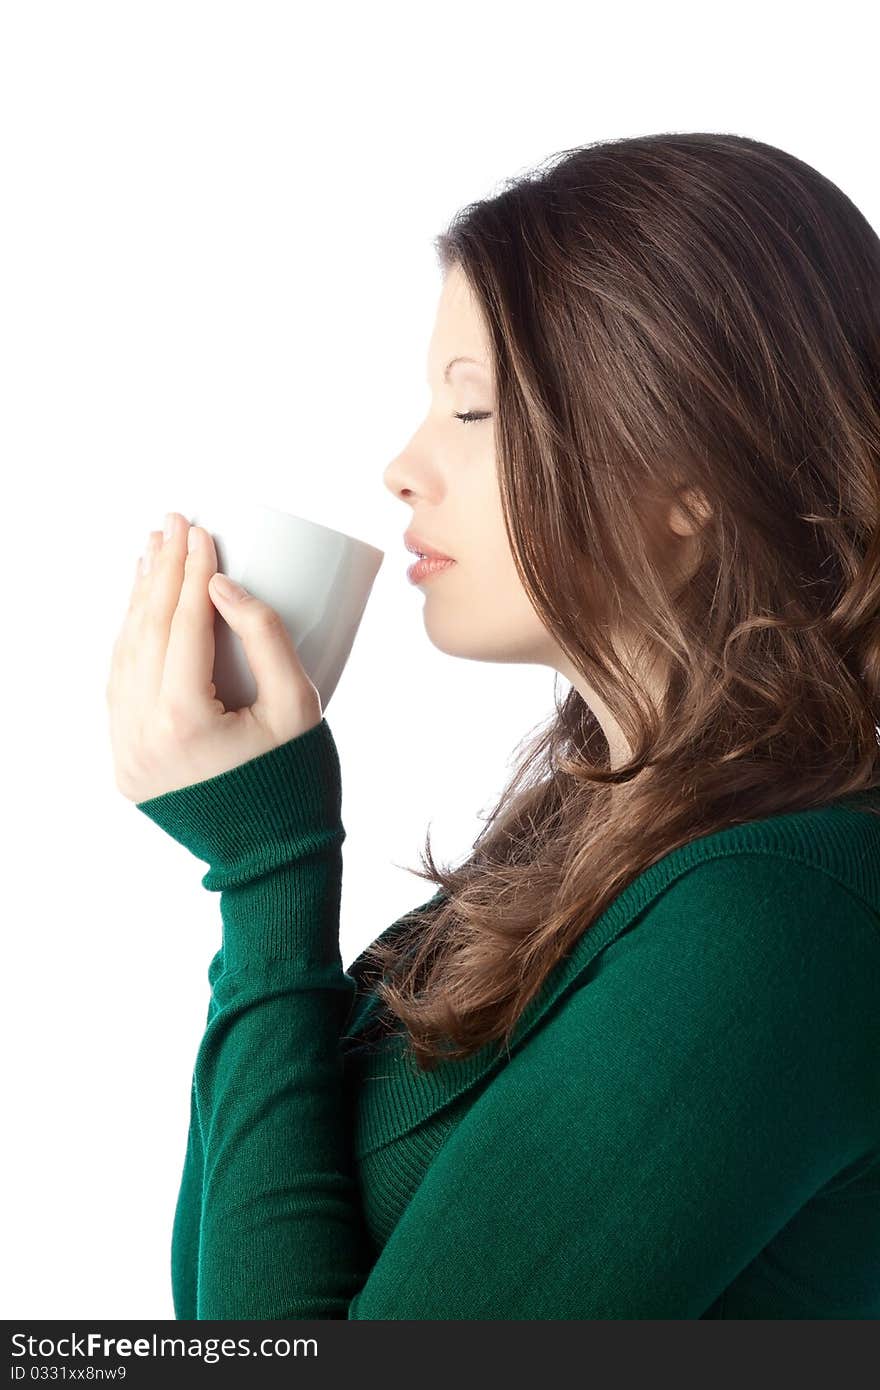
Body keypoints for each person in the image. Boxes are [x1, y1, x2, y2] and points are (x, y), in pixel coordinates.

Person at [108, 131, 880, 1319]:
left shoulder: (778, 913)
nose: (402, 467)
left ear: (691, 474)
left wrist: (267, 870)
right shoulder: (596, 832)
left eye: (472, 412)